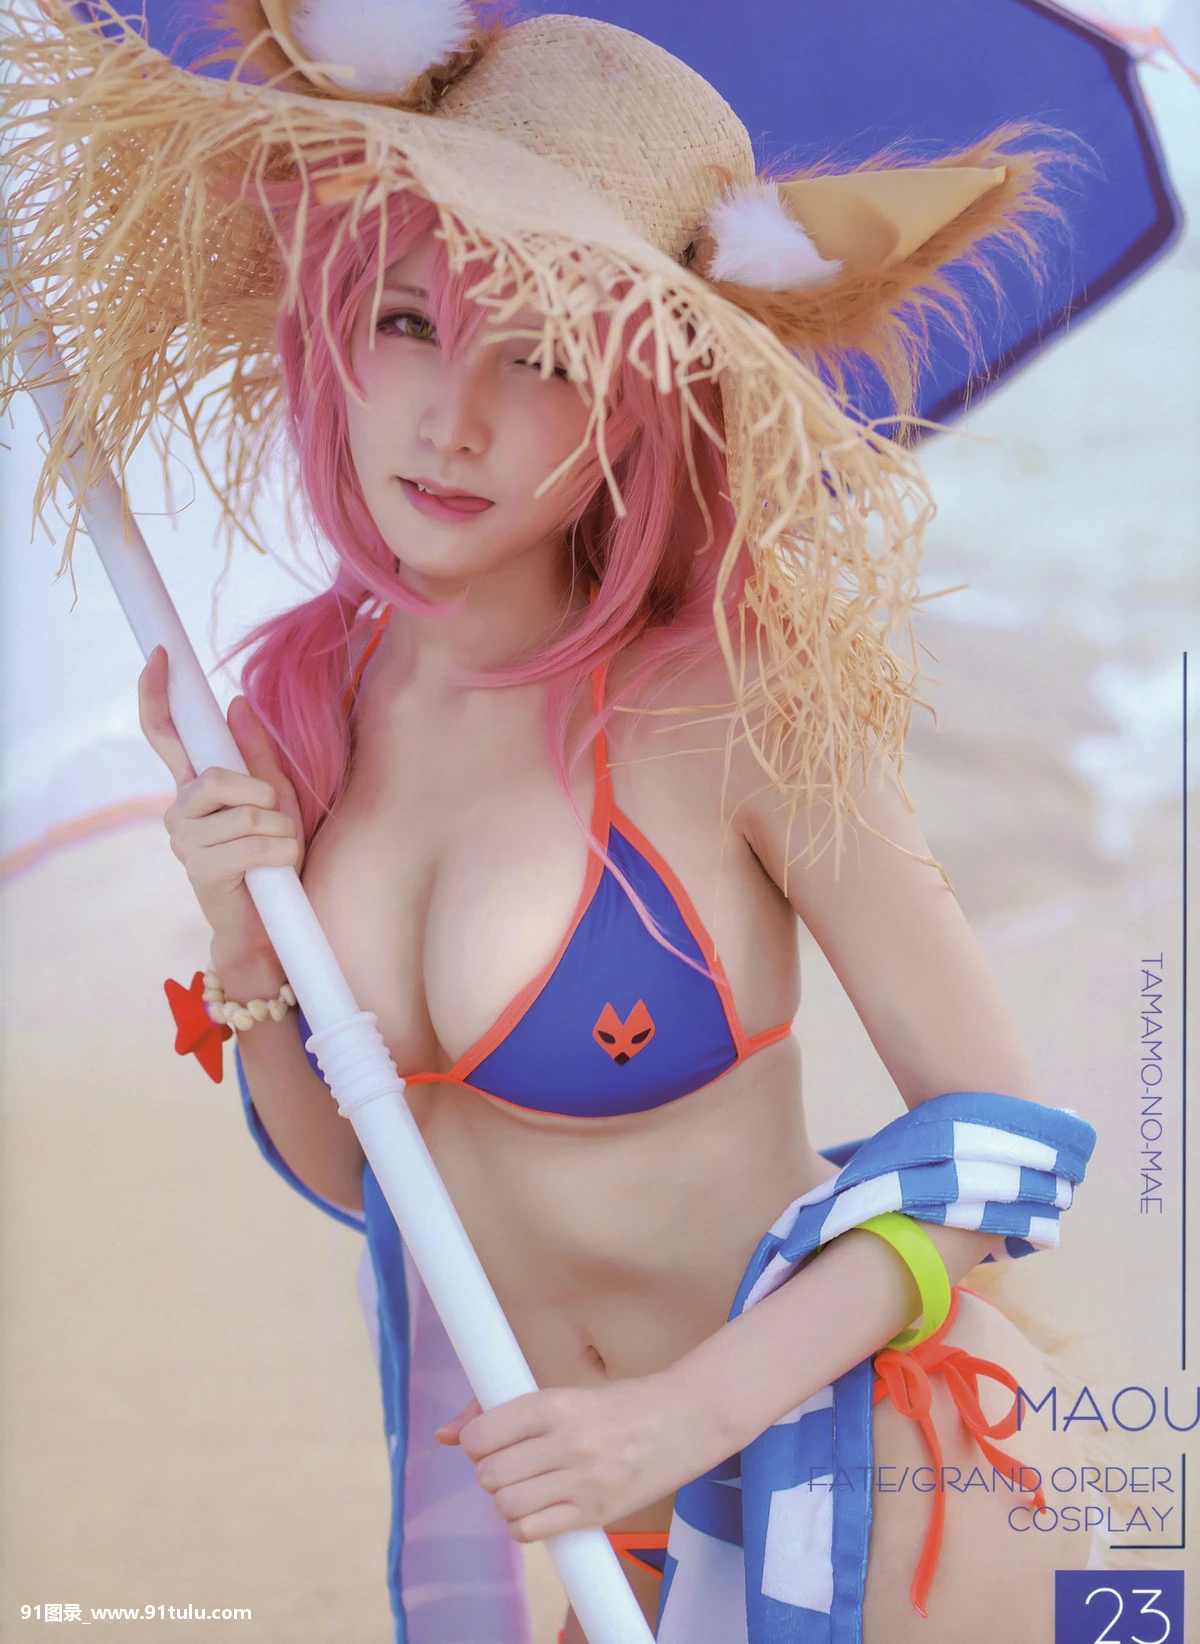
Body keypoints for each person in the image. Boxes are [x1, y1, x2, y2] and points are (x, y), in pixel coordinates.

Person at [7, 4, 1098, 1639]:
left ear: (641, 408)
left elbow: (1010, 1143)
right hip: (616, 1534)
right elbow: (367, 1172)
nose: (453, 418)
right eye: (409, 322)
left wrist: (679, 1417)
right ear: (333, 329)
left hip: (883, 1499)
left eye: (545, 356)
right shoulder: (308, 711)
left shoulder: (727, 703)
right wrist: (244, 935)